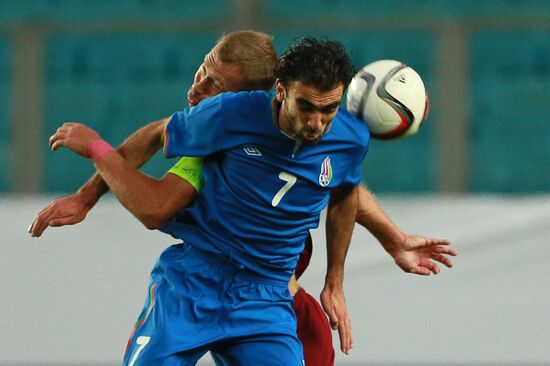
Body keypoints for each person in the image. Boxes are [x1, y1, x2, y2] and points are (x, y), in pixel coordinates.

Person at [30, 31, 457, 364]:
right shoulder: (221, 121)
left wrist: (360, 262)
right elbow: (156, 181)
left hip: (268, 296)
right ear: (279, 92)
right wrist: (89, 183)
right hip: (196, 283)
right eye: (203, 70)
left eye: (214, 82)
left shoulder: (343, 138)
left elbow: (342, 188)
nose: (198, 86)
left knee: (313, 344)